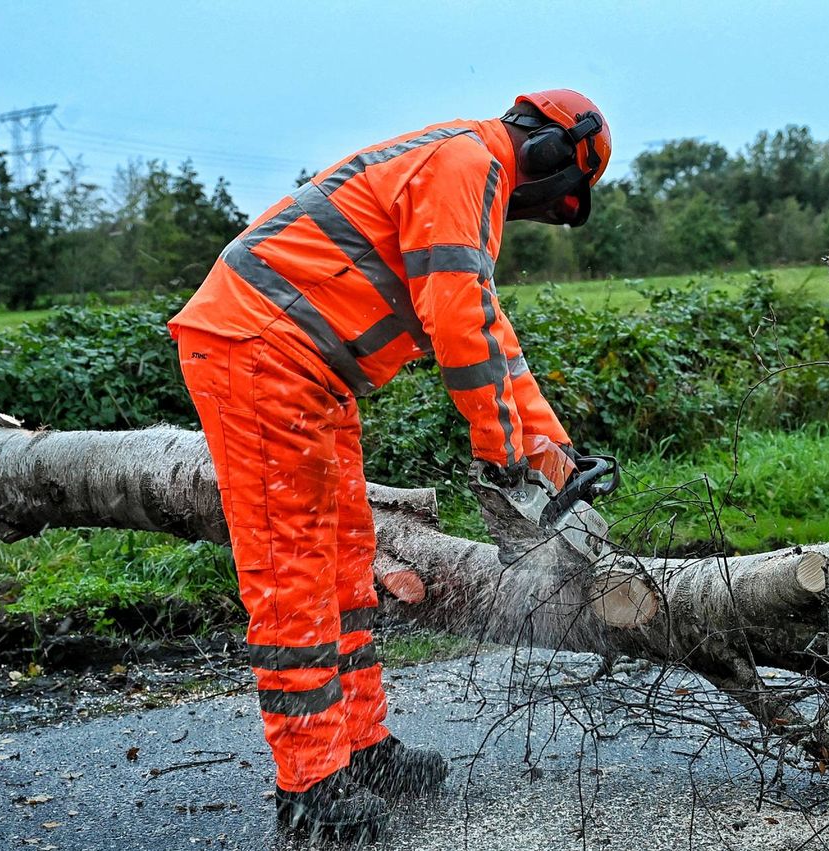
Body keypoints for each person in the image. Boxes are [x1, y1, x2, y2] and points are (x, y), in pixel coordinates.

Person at [167, 89, 612, 840]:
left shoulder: (464, 167)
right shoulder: (466, 164)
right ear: (546, 156)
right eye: (560, 196)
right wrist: (504, 458)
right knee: (294, 571)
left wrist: (552, 454)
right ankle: (309, 785)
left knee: (346, 560)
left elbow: (493, 335)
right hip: (260, 348)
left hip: (307, 367)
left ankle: (361, 748)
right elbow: (458, 323)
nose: (545, 210)